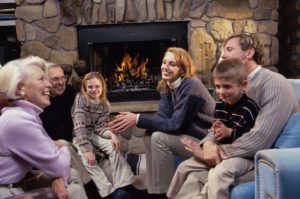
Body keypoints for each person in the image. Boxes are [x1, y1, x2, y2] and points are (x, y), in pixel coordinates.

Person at [167, 33, 300, 199]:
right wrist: (208, 144)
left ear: (249, 53)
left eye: (229, 49)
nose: (223, 54)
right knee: (190, 173)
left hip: (261, 159)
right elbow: (219, 122)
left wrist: (216, 152)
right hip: (236, 152)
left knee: (214, 174)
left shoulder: (274, 83)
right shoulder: (229, 84)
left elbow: (260, 139)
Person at [108, 47, 215, 199]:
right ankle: (154, 190)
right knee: (149, 135)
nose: (165, 67)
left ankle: (166, 194)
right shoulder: (168, 85)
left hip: (205, 142)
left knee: (158, 137)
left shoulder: (191, 85)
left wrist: (137, 118)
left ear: (183, 69)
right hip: (187, 136)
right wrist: (139, 119)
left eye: (172, 64)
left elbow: (175, 124)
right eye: (164, 62)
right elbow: (162, 119)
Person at [0, 56, 87, 199]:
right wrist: (63, 148)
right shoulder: (19, 121)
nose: (48, 85)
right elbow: (58, 165)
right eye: (42, 79)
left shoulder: (27, 114)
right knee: (74, 190)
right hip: (6, 191)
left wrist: (57, 168)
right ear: (20, 88)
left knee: (71, 174)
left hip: (19, 180)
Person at [190, 58, 259, 199]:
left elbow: (252, 137)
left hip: (243, 155)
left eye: (227, 87)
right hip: (223, 150)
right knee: (186, 167)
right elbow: (217, 126)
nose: (221, 92)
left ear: (243, 85)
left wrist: (230, 132)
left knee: (219, 173)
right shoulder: (220, 104)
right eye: (218, 86)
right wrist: (217, 130)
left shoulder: (249, 107)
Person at [40, 62, 101, 199]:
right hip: (55, 145)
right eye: (56, 79)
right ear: (45, 80)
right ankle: (94, 193)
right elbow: (38, 136)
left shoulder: (69, 92)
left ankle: (119, 187)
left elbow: (81, 115)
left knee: (97, 144)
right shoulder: (40, 100)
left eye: (63, 78)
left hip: (73, 138)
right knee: (66, 146)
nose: (62, 82)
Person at [72, 72, 135, 199]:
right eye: (90, 87)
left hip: (94, 133)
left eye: (97, 86)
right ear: (85, 88)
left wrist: (112, 135)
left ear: (102, 87)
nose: (94, 90)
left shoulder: (105, 104)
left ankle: (123, 184)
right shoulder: (80, 99)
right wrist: (86, 150)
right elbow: (79, 125)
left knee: (113, 147)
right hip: (80, 135)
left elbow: (99, 127)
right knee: (88, 161)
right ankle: (109, 192)